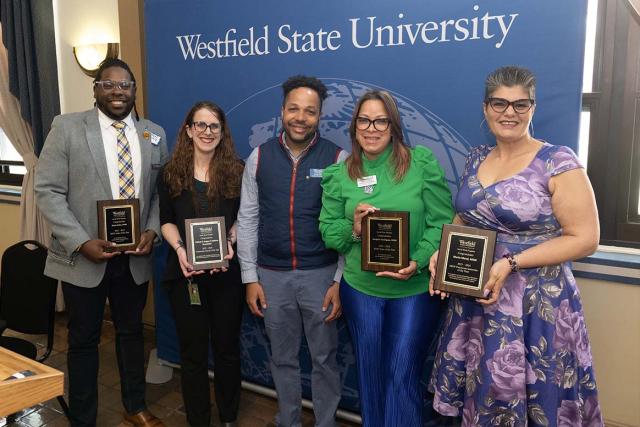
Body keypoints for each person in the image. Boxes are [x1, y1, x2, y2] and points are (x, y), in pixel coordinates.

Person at [428, 66, 603, 426]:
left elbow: (585, 238)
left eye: (520, 104)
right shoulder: (476, 157)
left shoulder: (557, 161)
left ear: (533, 108)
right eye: (500, 103)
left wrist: (510, 262)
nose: (510, 113)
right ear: (486, 107)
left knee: (541, 399)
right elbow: (467, 219)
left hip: (536, 302)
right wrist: (442, 251)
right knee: (485, 393)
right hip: (475, 297)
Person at [35, 58, 168, 426]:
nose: (117, 91)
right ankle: (83, 418)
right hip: (85, 258)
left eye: (124, 85)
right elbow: (47, 190)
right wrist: (80, 242)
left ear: (134, 90)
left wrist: (152, 231)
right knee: (82, 341)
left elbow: (160, 195)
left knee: (131, 334)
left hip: (134, 258)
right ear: (95, 89)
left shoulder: (153, 133)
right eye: (108, 85)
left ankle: (134, 406)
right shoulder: (66, 128)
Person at [319, 90, 454, 426]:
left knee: (401, 372)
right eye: (364, 120)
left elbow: (442, 221)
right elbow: (328, 231)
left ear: (393, 126)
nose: (372, 128)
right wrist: (355, 230)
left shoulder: (421, 162)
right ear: (354, 127)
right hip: (361, 290)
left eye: (381, 120)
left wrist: (418, 260)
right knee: (370, 373)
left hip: (413, 289)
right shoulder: (340, 174)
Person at [237, 75, 347, 427]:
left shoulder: (338, 158)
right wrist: (250, 278)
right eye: (294, 109)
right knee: (282, 358)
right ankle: (288, 420)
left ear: (319, 116)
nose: (301, 117)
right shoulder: (258, 157)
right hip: (271, 277)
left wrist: (339, 281)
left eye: (310, 111)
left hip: (321, 277)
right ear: (282, 111)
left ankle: (326, 422)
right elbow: (248, 219)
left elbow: (346, 226)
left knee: (324, 358)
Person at [157, 101, 244, 427]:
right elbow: (166, 220)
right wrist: (180, 249)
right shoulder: (171, 173)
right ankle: (198, 419)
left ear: (222, 133)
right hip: (185, 276)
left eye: (214, 126)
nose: (207, 132)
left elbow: (244, 219)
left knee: (226, 349)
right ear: (189, 130)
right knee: (192, 354)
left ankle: (229, 417)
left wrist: (230, 240)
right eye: (201, 125)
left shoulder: (238, 170)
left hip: (226, 275)